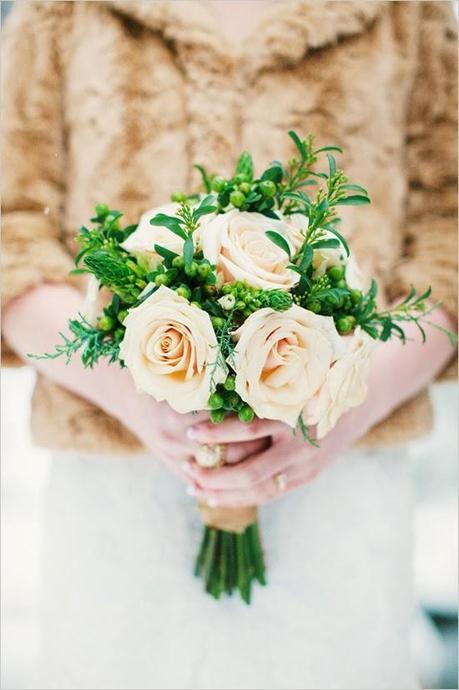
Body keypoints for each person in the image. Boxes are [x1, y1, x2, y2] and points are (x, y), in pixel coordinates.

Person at [2, 1, 457, 688]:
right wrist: (134, 389)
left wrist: (341, 400)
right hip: (118, 486)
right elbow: (10, 230)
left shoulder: (407, 12)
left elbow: (448, 233)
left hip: (341, 486)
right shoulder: (59, 9)